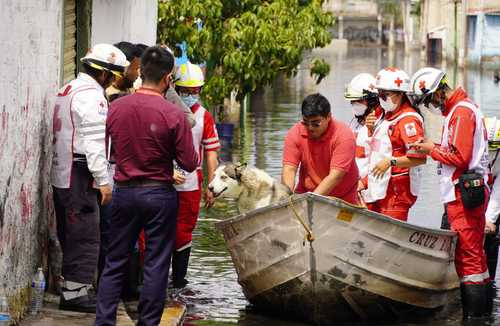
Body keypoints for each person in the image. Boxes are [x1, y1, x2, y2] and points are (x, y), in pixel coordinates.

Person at [95, 46, 198, 325]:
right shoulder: (174, 115)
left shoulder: (115, 108)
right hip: (159, 194)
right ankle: (148, 323)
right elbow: (190, 163)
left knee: (115, 262)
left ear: (140, 73)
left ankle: (104, 321)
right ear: (168, 79)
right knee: (155, 264)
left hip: (124, 191)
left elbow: (106, 151)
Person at [50, 43, 128, 312]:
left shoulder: (68, 89)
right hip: (80, 173)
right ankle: (75, 294)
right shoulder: (92, 97)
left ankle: (73, 290)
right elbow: (94, 142)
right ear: (105, 74)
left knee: (71, 232)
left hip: (63, 172)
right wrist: (104, 181)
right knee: (86, 235)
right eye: (115, 75)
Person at [411, 67, 491, 319]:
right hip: (464, 192)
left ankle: (474, 318)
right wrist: (432, 146)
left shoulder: (461, 112)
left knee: (468, 259)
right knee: (474, 256)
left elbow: (460, 156)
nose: (431, 107)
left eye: (428, 101)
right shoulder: (461, 110)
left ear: (437, 93)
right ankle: (484, 313)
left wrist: (429, 150)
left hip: (463, 195)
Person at [170, 61, 220, 289]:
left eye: (195, 91)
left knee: (184, 230)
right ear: (175, 89)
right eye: (185, 92)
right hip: (163, 181)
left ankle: (179, 280)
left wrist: (212, 184)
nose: (190, 96)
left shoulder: (204, 117)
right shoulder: (166, 110)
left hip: (190, 184)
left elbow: (211, 152)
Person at [361, 67, 426, 221]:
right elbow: (377, 151)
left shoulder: (408, 120)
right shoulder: (384, 115)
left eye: (386, 94)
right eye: (379, 94)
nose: (382, 99)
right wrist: (370, 129)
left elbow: (420, 158)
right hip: (379, 186)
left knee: (389, 234)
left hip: (397, 193)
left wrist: (391, 162)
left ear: (400, 94)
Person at [282, 93, 359, 204]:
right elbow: (289, 169)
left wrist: (311, 201)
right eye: (305, 122)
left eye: (315, 123)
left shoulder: (344, 135)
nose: (310, 128)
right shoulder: (295, 133)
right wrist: (286, 198)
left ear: (328, 117)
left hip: (342, 197)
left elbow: (335, 176)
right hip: (305, 193)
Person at [344, 73, 382, 181]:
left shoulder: (381, 124)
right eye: (353, 101)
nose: (355, 104)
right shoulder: (354, 123)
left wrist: (372, 130)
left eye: (359, 100)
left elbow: (381, 156)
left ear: (371, 101)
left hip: (370, 186)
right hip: (353, 184)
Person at [483, 117, 500, 279]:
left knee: (491, 237)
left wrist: (490, 220)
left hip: (493, 199)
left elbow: (499, 191)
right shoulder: (473, 147)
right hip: (470, 196)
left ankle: (489, 280)